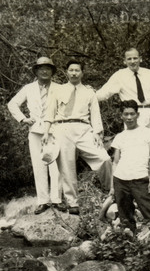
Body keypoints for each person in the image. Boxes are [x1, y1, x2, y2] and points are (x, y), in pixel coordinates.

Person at [43, 59, 112, 215]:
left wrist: (97, 132)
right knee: (67, 167)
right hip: (62, 127)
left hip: (84, 128)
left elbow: (95, 114)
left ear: (82, 73)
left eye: (77, 70)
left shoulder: (89, 92)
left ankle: (111, 191)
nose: (74, 73)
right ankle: (72, 203)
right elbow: (49, 113)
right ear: (66, 72)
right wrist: (47, 132)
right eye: (71, 70)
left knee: (104, 158)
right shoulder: (57, 90)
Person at [7, 56, 62, 214]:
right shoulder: (28, 88)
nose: (45, 71)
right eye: (41, 68)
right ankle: (43, 201)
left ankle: (57, 200)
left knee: (56, 165)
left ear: (52, 71)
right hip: (35, 130)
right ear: (36, 71)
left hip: (55, 129)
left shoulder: (60, 88)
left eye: (48, 68)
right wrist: (23, 119)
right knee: (39, 166)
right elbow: (12, 104)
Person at [109, 100, 150, 234]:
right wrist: (112, 186)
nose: (129, 117)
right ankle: (130, 243)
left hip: (140, 178)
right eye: (126, 114)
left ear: (137, 115)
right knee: (125, 218)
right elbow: (115, 162)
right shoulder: (120, 137)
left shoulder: (148, 133)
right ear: (121, 116)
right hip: (121, 179)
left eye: (132, 114)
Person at [97, 48, 150, 130]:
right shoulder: (119, 75)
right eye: (129, 59)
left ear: (140, 59)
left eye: (135, 58)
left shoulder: (149, 73)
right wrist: (88, 94)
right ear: (124, 61)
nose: (132, 61)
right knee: (134, 141)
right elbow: (104, 93)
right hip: (132, 114)